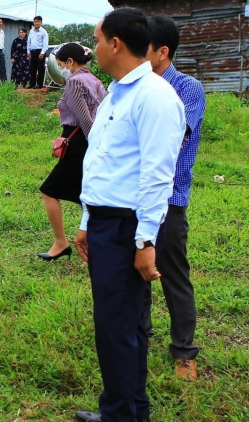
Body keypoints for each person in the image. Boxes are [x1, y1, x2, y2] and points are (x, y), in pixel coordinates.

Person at [73, 8, 185, 422]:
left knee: (116, 329)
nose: (94, 47)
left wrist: (145, 241)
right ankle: (132, 410)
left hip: (127, 226)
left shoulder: (155, 97)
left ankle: (119, 415)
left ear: (115, 43)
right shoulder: (116, 93)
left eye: (97, 39)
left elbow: (158, 176)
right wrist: (87, 222)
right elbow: (104, 165)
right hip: (105, 222)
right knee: (125, 325)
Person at [140, 14, 206, 381]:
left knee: (173, 275)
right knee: (136, 272)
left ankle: (184, 351)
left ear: (162, 52)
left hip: (168, 199)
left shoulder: (187, 89)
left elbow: (169, 139)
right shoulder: (132, 86)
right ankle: (141, 336)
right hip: (132, 197)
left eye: (142, 47)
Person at [37, 43, 107, 261]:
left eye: (60, 64)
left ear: (70, 62)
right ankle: (97, 242)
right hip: (90, 140)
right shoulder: (95, 80)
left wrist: (93, 145)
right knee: (85, 195)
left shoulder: (74, 81)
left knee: (49, 190)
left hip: (80, 141)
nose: (61, 69)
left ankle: (61, 242)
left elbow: (84, 119)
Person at [27, 16, 49, 89]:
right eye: (35, 21)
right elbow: (29, 42)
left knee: (40, 68)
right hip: (32, 51)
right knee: (32, 68)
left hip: (40, 51)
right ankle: (32, 84)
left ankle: (39, 84)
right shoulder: (31, 31)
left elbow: (45, 44)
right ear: (33, 22)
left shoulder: (44, 32)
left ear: (41, 22)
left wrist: (42, 53)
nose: (36, 23)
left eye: (38, 21)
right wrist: (28, 51)